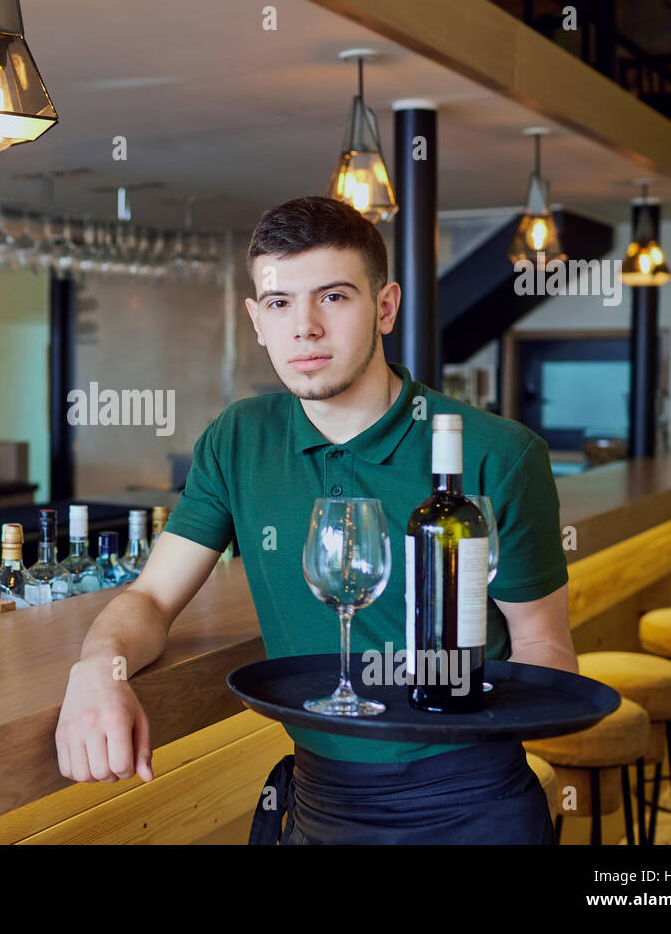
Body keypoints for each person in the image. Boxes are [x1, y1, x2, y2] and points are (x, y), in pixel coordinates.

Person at [54, 196, 576, 844]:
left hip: (468, 798)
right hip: (320, 795)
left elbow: (543, 647)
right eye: (279, 303)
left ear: (384, 307)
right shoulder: (238, 441)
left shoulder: (496, 452)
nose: (304, 327)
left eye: (332, 297)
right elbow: (152, 598)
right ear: (256, 318)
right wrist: (97, 667)